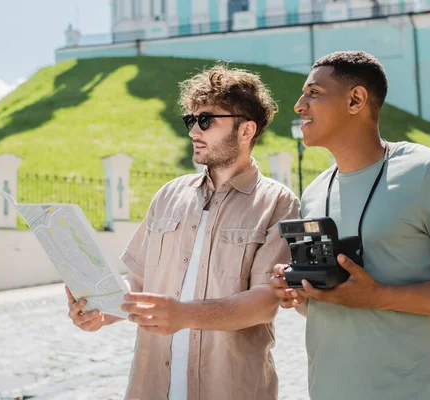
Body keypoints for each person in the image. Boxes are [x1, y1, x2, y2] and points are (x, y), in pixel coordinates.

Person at [270, 51, 430, 400]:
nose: (299, 105)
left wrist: (382, 297)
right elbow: (333, 304)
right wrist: (302, 292)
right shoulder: (315, 191)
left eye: (314, 93)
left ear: (356, 100)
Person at [65, 63, 300, 400]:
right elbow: (140, 284)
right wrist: (103, 311)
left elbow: (265, 303)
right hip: (151, 388)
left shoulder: (278, 203)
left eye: (206, 121)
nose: (193, 132)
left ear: (246, 130)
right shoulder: (169, 194)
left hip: (233, 389)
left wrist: (185, 315)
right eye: (191, 120)